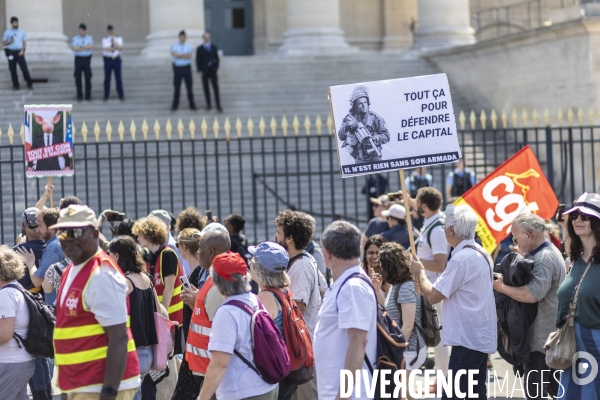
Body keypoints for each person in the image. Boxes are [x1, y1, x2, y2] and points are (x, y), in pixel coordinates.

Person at [51, 205, 140, 399]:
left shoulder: (101, 274)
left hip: (100, 386)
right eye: (62, 233)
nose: (69, 238)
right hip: (81, 383)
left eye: (76, 231)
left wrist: (108, 394)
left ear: (95, 233)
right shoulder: (71, 270)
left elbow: (119, 338)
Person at [409, 204, 497, 399]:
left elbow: (433, 296)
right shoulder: (481, 253)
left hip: (466, 340)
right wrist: (425, 286)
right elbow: (439, 291)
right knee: (475, 393)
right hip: (478, 338)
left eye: (443, 228)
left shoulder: (460, 259)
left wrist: (420, 272)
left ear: (450, 230)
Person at [493, 213, 565, 399]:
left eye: (516, 237)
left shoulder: (545, 257)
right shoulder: (545, 253)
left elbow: (531, 295)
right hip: (545, 341)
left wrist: (501, 287)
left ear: (529, 235)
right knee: (555, 392)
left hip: (541, 343)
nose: (515, 243)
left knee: (535, 394)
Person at [198, 251, 279, 400]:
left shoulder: (226, 312)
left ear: (216, 281)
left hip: (245, 391)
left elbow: (219, 363)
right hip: (267, 385)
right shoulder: (254, 299)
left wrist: (202, 398)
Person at [313, 221, 377, 400]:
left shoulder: (352, 287)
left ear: (326, 253)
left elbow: (358, 341)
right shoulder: (346, 283)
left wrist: (344, 395)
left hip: (351, 395)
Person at [556, 193, 600, 399]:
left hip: (596, 346)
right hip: (572, 349)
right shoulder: (576, 259)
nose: (578, 220)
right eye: (574, 216)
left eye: (585, 216)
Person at [404, 187, 449, 387]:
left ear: (423, 206)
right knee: (434, 335)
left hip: (434, 288)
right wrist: (409, 200)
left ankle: (444, 379)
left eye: (417, 204)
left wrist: (415, 261)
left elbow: (441, 263)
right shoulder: (431, 221)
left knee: (438, 337)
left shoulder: (437, 228)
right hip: (427, 286)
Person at [107, 236, 158, 400]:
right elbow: (159, 311)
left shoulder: (124, 281)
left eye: (109, 254)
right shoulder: (146, 279)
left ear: (116, 256)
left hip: (130, 353)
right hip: (148, 352)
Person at [248, 241, 298, 400]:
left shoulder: (265, 298)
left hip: (274, 373)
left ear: (260, 268)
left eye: (253, 260)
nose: (250, 262)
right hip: (287, 369)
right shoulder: (284, 291)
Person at [375, 242, 426, 377]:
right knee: (404, 393)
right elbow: (388, 312)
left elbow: (408, 326)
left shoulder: (406, 287)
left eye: (381, 264)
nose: (379, 268)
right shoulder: (396, 285)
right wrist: (376, 289)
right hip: (405, 349)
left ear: (390, 265)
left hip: (410, 350)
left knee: (399, 392)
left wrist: (394, 349)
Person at [172, 228, 212, 400]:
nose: (199, 249)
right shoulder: (201, 271)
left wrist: (196, 299)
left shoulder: (206, 273)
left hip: (200, 347)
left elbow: (212, 311)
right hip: (194, 343)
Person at [132, 216, 184, 323]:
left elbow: (169, 287)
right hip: (159, 315)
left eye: (140, 235)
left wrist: (161, 317)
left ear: (148, 235)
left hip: (170, 318)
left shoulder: (168, 254)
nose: (137, 239)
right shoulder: (149, 256)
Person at [0, 246, 35, 400]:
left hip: (10, 363)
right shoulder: (17, 289)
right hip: (19, 361)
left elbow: (5, 334)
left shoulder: (5, 295)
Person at [337, 85, 390, 164]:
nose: (364, 105)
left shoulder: (375, 118)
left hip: (375, 158)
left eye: (365, 102)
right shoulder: (348, 119)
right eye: (360, 104)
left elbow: (387, 136)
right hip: (359, 159)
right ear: (355, 106)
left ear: (368, 103)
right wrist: (347, 142)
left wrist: (374, 139)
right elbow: (341, 137)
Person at [13, 207, 45, 292]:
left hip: (25, 302)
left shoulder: (14, 252)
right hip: (49, 302)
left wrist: (18, 247)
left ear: (23, 226)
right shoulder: (51, 248)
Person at [2, 16, 33, 91]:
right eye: (15, 22)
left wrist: (23, 50)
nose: (17, 23)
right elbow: (3, 43)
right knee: (13, 70)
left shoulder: (21, 32)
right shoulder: (7, 32)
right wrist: (10, 42)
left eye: (17, 22)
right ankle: (15, 85)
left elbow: (24, 42)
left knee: (24, 68)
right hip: (11, 53)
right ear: (11, 23)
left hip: (20, 52)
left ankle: (29, 83)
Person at [171, 30, 196, 111]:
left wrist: (180, 56)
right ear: (179, 37)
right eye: (181, 37)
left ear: (185, 38)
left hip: (186, 67)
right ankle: (175, 105)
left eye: (184, 37)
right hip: (178, 68)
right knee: (177, 87)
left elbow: (190, 55)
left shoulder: (188, 46)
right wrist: (183, 55)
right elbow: (174, 54)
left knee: (189, 87)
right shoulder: (174, 46)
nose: (182, 38)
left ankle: (192, 104)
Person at [196, 32, 222, 112]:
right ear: (203, 38)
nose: (207, 38)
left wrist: (215, 68)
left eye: (208, 37)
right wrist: (199, 70)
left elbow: (217, 59)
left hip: (212, 71)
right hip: (204, 71)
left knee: (215, 88)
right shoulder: (199, 48)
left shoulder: (213, 47)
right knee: (206, 88)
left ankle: (218, 105)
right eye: (205, 37)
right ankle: (208, 104)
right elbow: (198, 60)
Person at [71, 23, 93, 101]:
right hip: (78, 59)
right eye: (80, 30)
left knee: (88, 77)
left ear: (85, 31)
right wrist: (84, 48)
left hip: (87, 59)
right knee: (78, 78)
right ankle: (79, 95)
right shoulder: (75, 38)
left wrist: (80, 48)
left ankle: (88, 95)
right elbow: (74, 47)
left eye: (83, 30)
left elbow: (90, 46)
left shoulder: (89, 38)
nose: (81, 32)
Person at [102, 24, 124, 101]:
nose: (112, 32)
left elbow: (120, 47)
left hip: (117, 59)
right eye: (110, 30)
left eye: (113, 30)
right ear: (108, 31)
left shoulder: (119, 38)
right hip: (108, 59)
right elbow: (106, 49)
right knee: (107, 78)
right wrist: (115, 48)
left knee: (118, 78)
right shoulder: (105, 39)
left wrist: (114, 41)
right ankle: (106, 95)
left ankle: (121, 95)